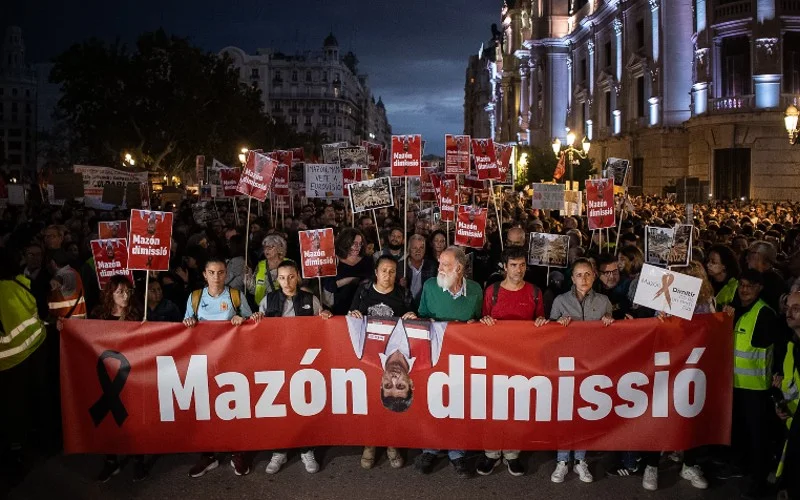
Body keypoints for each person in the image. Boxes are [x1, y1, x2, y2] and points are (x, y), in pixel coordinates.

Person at [251, 260, 331, 475]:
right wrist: (257, 318)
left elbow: (323, 329)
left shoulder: (310, 299)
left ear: (298, 277)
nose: (287, 282)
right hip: (277, 362)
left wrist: (326, 317)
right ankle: (280, 450)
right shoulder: (268, 301)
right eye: (282, 277)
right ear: (277, 279)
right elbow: (258, 334)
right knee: (280, 407)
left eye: (291, 276)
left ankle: (307, 449)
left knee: (303, 406)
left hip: (304, 363)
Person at [476, 247, 547, 477]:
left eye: (522, 265)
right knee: (492, 408)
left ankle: (512, 454)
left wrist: (540, 323)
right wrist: (484, 320)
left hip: (522, 363)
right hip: (495, 362)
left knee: (517, 408)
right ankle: (491, 453)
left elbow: (541, 324)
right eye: (514, 265)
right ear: (505, 267)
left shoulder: (535, 292)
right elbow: (482, 324)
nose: (519, 270)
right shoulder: (492, 291)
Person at [183, 258, 256, 478]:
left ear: (226, 274)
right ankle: (209, 456)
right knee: (206, 410)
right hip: (204, 363)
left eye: (221, 272)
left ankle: (237, 453)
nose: (216, 277)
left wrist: (240, 319)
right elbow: (187, 322)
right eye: (212, 272)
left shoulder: (235, 295)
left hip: (232, 362)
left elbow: (251, 321)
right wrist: (188, 323)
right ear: (205, 274)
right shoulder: (195, 297)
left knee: (233, 407)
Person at [415, 246, 483, 479]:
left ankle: (457, 453)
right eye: (440, 263)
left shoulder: (475, 290)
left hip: (462, 359)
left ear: (459, 268)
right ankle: (430, 449)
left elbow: (480, 321)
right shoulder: (430, 287)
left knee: (458, 404)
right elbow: (422, 315)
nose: (440, 268)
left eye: (445, 264)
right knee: (434, 402)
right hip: (434, 357)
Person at [347, 256, 419, 470]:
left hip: (392, 358)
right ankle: (369, 444)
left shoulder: (403, 294)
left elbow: (415, 319)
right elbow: (350, 318)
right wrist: (354, 315)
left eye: (392, 272)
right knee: (370, 402)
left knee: (391, 406)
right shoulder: (363, 291)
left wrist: (412, 316)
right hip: (369, 356)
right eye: (384, 271)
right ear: (376, 272)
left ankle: (392, 444)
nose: (388, 275)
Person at [549, 258, 614, 484]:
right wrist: (558, 323)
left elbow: (612, 337)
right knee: (566, 414)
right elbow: (548, 334)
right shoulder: (560, 301)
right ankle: (562, 460)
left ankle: (580, 461)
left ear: (594, 276)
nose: (583, 279)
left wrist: (609, 321)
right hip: (567, 366)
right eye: (579, 274)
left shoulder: (605, 301)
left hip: (592, 367)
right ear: (572, 277)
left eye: (588, 274)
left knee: (585, 414)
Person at [720, 268, 782, 498]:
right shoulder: (739, 310)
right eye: (742, 285)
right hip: (735, 384)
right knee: (740, 431)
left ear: (760, 288)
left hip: (756, 388)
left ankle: (759, 480)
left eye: (750, 286)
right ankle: (741, 467)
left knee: (758, 437)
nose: (745, 290)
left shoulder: (764, 314)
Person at [85, 275, 147, 482]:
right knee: (109, 419)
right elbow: (84, 337)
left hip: (133, 375)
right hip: (106, 376)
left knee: (134, 416)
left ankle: (138, 458)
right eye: (120, 292)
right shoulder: (97, 315)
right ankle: (111, 461)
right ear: (109, 294)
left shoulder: (138, 313)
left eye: (128, 291)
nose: (125, 295)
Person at [0, 247, 48, 478]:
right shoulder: (22, 283)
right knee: (31, 399)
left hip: (9, 361)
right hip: (35, 348)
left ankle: (17, 449)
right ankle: (36, 436)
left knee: (13, 407)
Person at [777, 291, 800, 500]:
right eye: (787, 307)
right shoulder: (792, 345)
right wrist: (784, 406)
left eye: (796, 308)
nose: (789, 313)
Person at [324, 228, 373, 316]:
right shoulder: (334, 259)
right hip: (340, 306)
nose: (357, 247)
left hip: (362, 306)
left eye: (360, 243)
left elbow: (372, 281)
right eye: (354, 243)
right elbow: (329, 286)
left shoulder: (367, 260)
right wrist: (349, 280)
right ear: (345, 243)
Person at [250, 234, 288, 306]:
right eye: (265, 247)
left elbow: (298, 284)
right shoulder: (260, 265)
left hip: (284, 305)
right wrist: (247, 276)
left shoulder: (289, 263)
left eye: (270, 247)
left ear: (279, 248)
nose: (266, 250)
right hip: (263, 307)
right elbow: (253, 289)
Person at [402, 234, 437, 308]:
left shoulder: (433, 266)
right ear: (409, 249)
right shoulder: (400, 266)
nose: (418, 251)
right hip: (405, 307)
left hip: (426, 307)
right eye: (414, 248)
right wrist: (400, 287)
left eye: (421, 248)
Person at [594, 252, 631, 320]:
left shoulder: (629, 287)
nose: (611, 277)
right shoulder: (593, 289)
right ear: (598, 273)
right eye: (607, 273)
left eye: (615, 271)